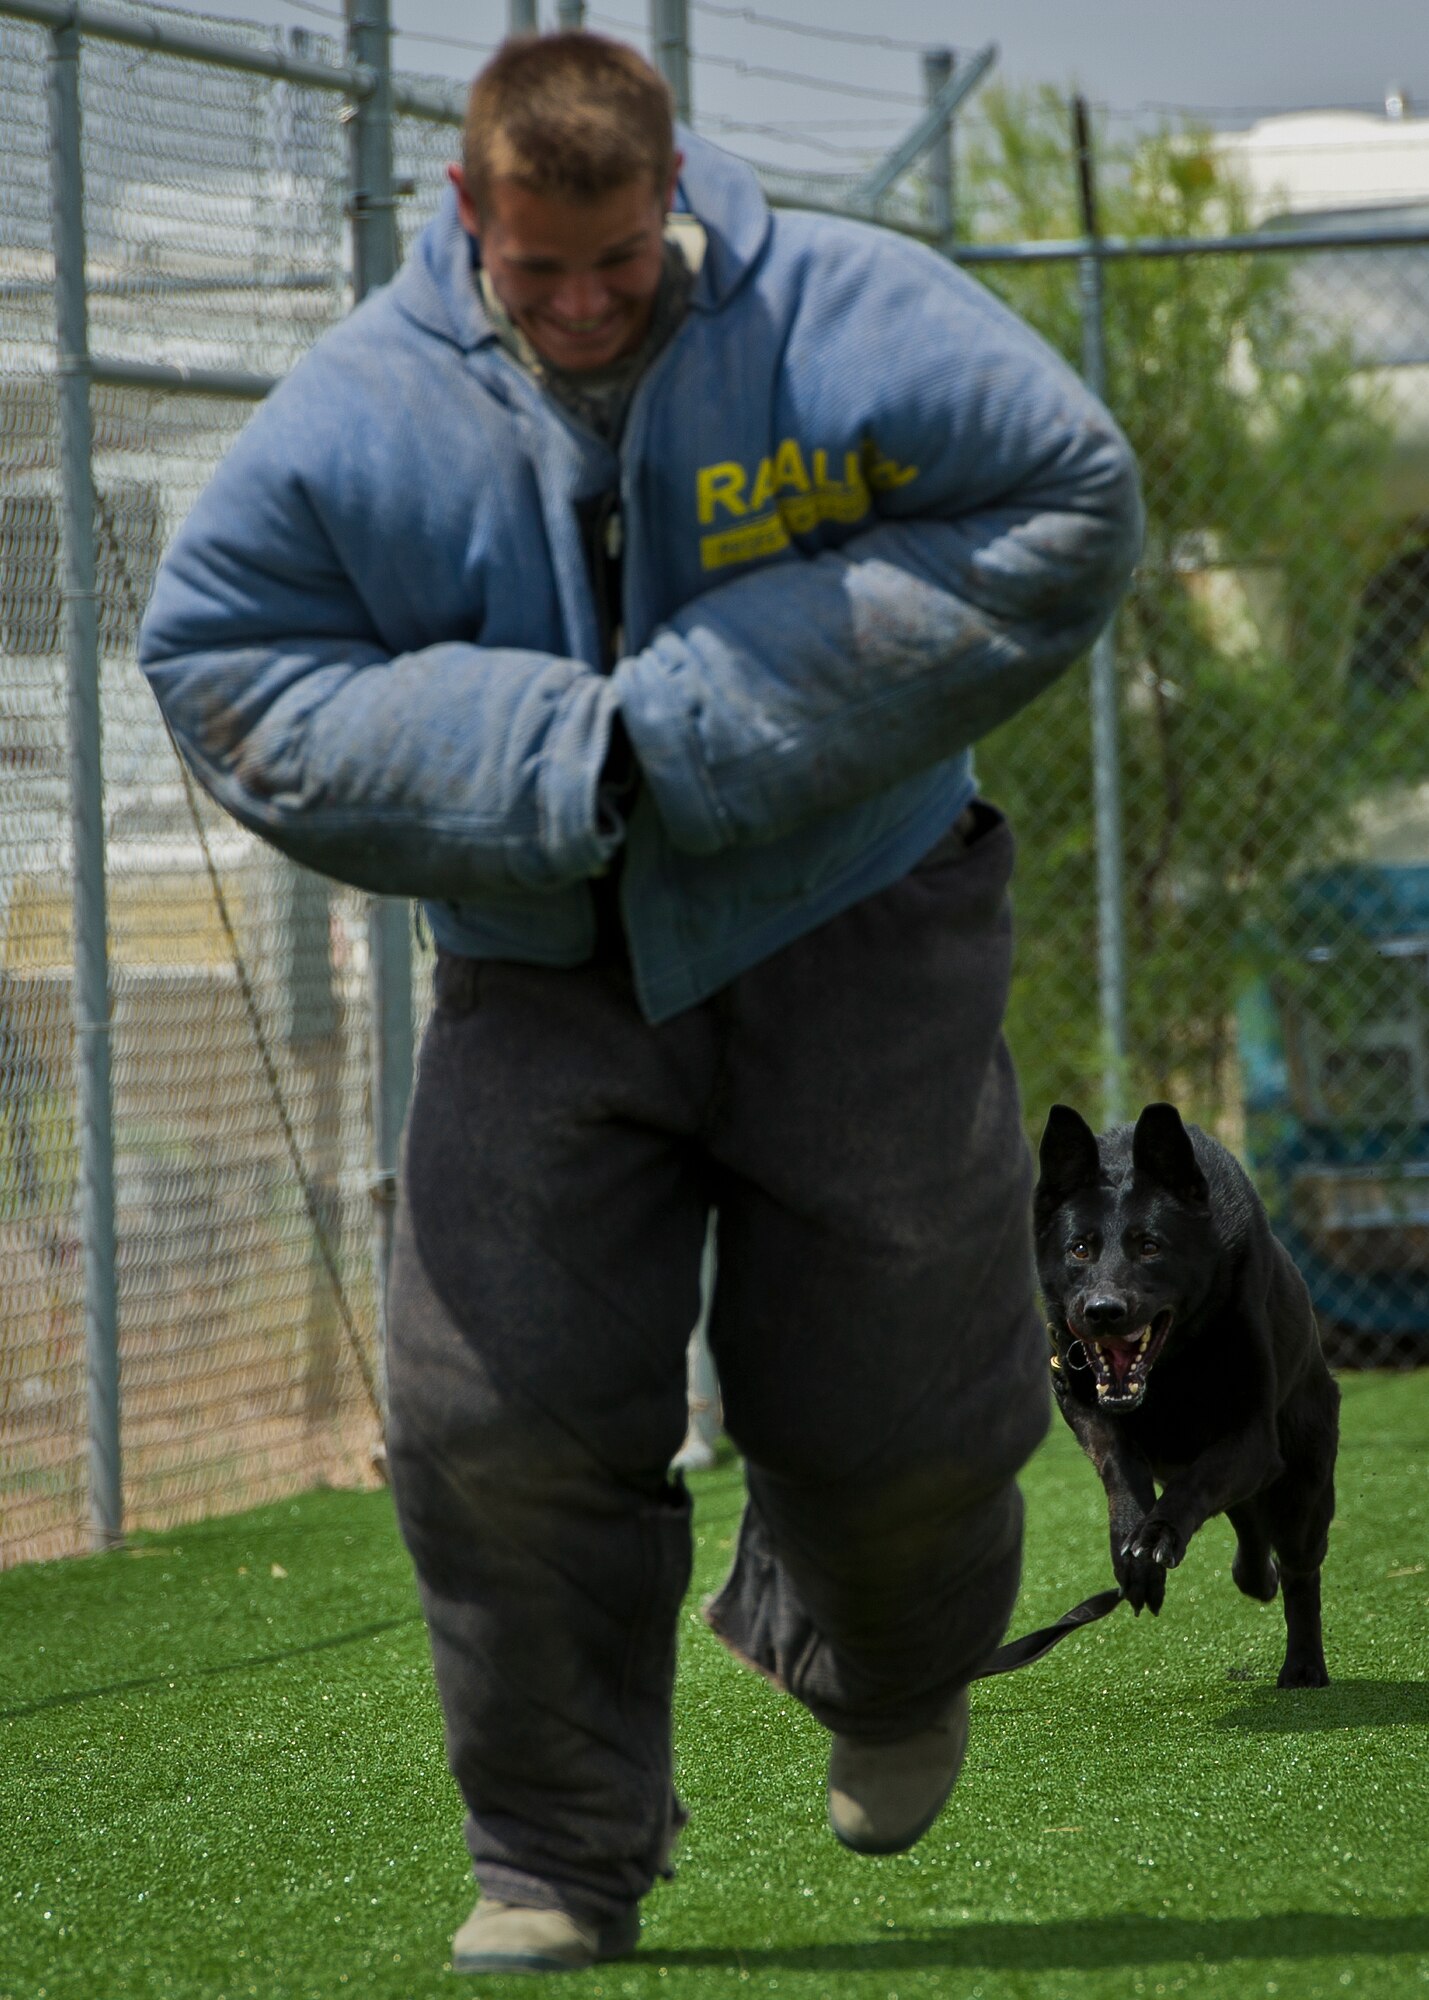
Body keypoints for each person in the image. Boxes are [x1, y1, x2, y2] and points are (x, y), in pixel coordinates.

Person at [139, 31, 1142, 1977]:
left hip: (857, 911)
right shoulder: (363, 410)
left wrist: (696, 720)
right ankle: (558, 1857)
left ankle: (890, 1666)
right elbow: (221, 649)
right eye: (539, 276)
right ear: (467, 218)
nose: (586, 310)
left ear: (670, 181)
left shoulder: (843, 313)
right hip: (533, 960)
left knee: (894, 1413)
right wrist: (549, 761)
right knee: (486, 1417)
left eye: (618, 262)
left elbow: (1066, 497)